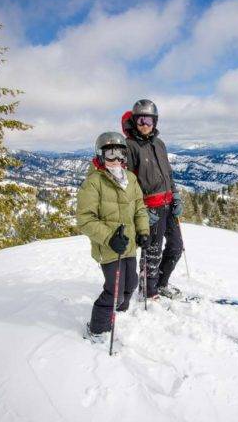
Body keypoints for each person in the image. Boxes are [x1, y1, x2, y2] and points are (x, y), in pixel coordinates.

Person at [77, 132, 150, 341]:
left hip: (128, 244)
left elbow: (139, 209)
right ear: (100, 156)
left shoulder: (131, 179)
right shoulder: (94, 182)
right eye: (110, 154)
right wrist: (109, 237)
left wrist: (143, 231)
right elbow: (85, 219)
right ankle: (97, 328)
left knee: (131, 283)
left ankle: (120, 311)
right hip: (109, 247)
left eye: (120, 153)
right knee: (114, 291)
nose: (116, 159)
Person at [121, 99, 183, 299]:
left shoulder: (159, 143)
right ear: (134, 121)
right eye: (140, 120)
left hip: (168, 204)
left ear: (155, 121)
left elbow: (168, 173)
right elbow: (128, 183)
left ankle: (161, 283)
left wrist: (175, 195)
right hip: (151, 208)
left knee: (176, 246)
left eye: (148, 120)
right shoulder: (130, 146)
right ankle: (149, 290)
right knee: (152, 252)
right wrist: (141, 211)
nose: (144, 125)